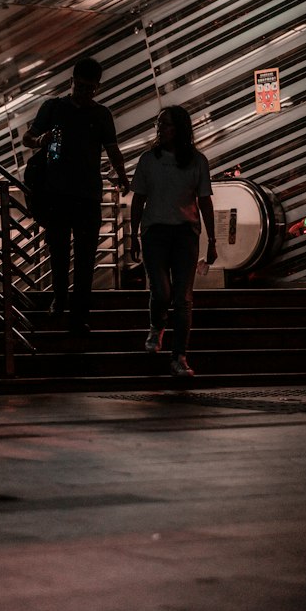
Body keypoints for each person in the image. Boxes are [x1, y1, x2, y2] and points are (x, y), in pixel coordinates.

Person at [23, 56, 129, 334]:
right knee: (63, 253)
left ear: (97, 87)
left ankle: (74, 310)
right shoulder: (56, 108)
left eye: (89, 88)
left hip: (80, 195)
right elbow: (28, 139)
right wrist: (39, 141)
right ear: (72, 82)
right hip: (64, 194)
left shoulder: (98, 114)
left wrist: (122, 174)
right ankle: (64, 303)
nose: (84, 93)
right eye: (81, 87)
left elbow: (113, 149)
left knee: (81, 257)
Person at [129, 105, 218, 378]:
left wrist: (212, 239)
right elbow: (138, 199)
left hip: (184, 233)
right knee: (162, 290)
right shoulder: (148, 160)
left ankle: (179, 356)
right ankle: (157, 325)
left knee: (183, 298)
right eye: (159, 124)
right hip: (155, 232)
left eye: (166, 124)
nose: (161, 129)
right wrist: (133, 235)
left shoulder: (196, 161)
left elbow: (204, 200)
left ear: (180, 128)